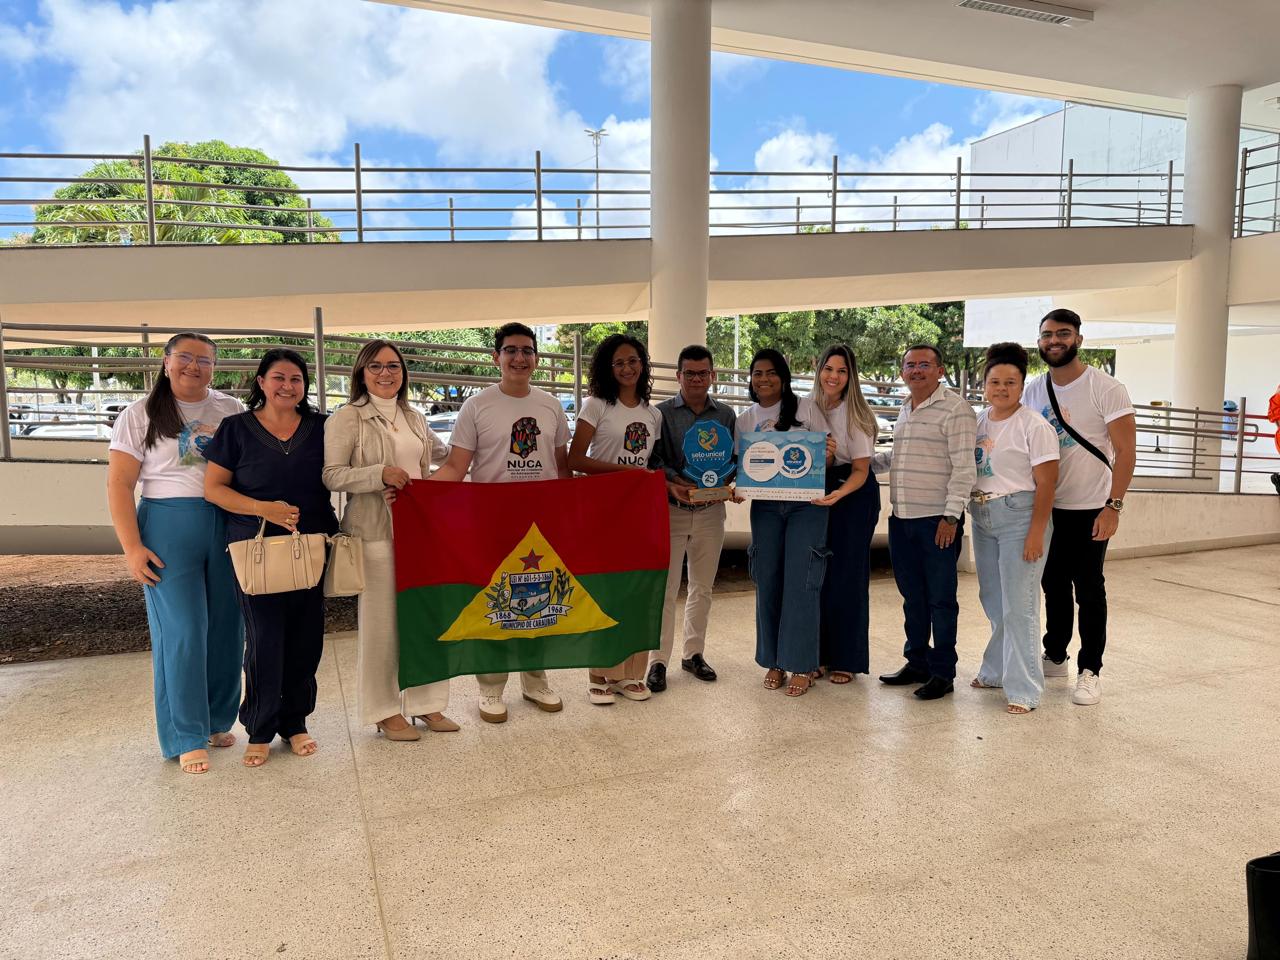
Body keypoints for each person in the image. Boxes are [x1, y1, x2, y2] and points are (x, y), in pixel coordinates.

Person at [105, 332, 244, 775]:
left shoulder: (230, 410)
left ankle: (217, 719)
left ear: (214, 368)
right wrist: (131, 548)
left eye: (204, 360)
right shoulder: (139, 414)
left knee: (227, 627)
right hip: (167, 525)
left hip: (224, 520)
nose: (194, 366)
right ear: (166, 362)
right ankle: (185, 733)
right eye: (184, 357)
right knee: (183, 631)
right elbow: (119, 484)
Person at [204, 349, 339, 767]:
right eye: (278, 377)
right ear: (260, 382)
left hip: (311, 546)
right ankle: (259, 728)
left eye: (296, 379)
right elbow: (214, 489)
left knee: (306, 638)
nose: (287, 386)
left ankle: (295, 722)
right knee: (264, 639)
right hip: (255, 548)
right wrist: (265, 509)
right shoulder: (236, 429)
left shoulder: (323, 427)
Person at [431, 322, 569, 723]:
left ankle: (535, 680)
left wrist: (565, 516)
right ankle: (490, 687)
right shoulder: (477, 405)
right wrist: (415, 492)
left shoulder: (550, 405)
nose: (519, 358)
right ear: (497, 357)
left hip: (540, 522)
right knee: (494, 601)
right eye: (511, 350)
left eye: (527, 350)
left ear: (536, 359)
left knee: (541, 601)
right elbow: (457, 465)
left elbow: (560, 467)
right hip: (490, 519)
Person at [323, 339, 459, 741]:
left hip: (419, 534)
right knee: (382, 625)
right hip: (375, 533)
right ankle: (384, 710)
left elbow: (444, 457)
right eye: (376, 366)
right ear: (361, 373)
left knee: (425, 617)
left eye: (394, 366)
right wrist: (378, 474)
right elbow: (331, 474)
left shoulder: (415, 417)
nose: (386, 373)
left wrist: (429, 489)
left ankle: (426, 703)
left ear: (404, 372)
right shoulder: (348, 417)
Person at [1022, 309, 1135, 706]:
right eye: (1047, 335)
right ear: (1039, 342)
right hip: (1048, 506)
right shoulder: (1033, 390)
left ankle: (1091, 669)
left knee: (1089, 587)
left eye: (1063, 334)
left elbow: (1125, 452)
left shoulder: (1106, 387)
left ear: (1079, 340)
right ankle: (1055, 654)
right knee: (1051, 583)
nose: (1054, 341)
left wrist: (1113, 506)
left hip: (1091, 506)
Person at [875, 344, 977, 701]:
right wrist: (858, 463)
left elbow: (965, 468)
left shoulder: (956, 409)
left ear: (939, 370)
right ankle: (916, 661)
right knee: (912, 598)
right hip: (901, 518)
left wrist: (951, 516)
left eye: (924, 364)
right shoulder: (906, 408)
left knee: (941, 600)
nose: (916, 370)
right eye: (910, 365)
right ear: (902, 371)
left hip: (937, 521)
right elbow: (897, 456)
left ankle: (943, 672)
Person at [568, 333, 663, 705]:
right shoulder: (596, 406)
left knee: (636, 589)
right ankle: (599, 673)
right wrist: (623, 476)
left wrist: (648, 481)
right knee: (603, 589)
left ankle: (630, 674)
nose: (627, 368)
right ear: (608, 368)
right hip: (601, 508)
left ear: (643, 365)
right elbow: (575, 459)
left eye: (634, 361)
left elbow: (648, 465)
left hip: (638, 511)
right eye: (619, 362)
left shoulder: (652, 413)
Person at [968, 343, 1059, 715]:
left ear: (1022, 386)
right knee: (993, 600)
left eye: (1010, 382)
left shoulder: (1034, 425)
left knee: (1020, 605)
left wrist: (1036, 532)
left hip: (1020, 516)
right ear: (984, 384)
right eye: (995, 381)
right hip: (982, 514)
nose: (1001, 388)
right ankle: (995, 670)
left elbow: (1048, 483)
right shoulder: (977, 420)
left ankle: (1024, 689)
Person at [737, 348, 834, 698]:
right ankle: (773, 661)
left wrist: (827, 452)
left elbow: (828, 450)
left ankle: (803, 663)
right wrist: (735, 486)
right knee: (768, 579)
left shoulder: (806, 408)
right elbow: (742, 464)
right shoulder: (746, 418)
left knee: (803, 580)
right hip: (765, 508)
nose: (764, 379)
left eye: (771, 372)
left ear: (784, 376)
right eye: (758, 373)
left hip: (807, 505)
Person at [645, 345, 736, 693]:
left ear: (712, 376)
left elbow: (733, 458)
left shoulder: (726, 415)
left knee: (702, 587)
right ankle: (658, 661)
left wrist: (727, 480)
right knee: (666, 589)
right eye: (690, 373)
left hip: (711, 512)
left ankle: (693, 653)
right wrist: (676, 480)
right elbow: (653, 459)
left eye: (703, 373)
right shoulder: (661, 414)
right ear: (678, 376)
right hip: (672, 511)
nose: (697, 379)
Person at [809, 344, 881, 684]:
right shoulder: (808, 410)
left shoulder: (858, 415)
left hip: (853, 495)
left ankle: (846, 658)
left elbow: (861, 470)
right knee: (818, 576)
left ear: (850, 376)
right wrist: (823, 461)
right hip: (822, 489)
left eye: (841, 370)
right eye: (828, 369)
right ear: (818, 369)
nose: (833, 376)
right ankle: (818, 654)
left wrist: (838, 493)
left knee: (847, 577)